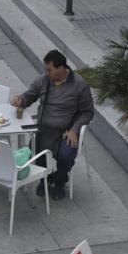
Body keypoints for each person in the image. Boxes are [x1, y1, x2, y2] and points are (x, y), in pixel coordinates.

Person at [10, 50, 94, 201]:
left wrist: (75, 129)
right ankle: (44, 179)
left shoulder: (79, 85)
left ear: (62, 68)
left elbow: (88, 112)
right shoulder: (43, 80)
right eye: (45, 69)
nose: (46, 73)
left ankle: (60, 182)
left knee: (65, 155)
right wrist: (20, 100)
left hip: (66, 131)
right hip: (43, 129)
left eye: (49, 69)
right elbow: (29, 96)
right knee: (34, 150)